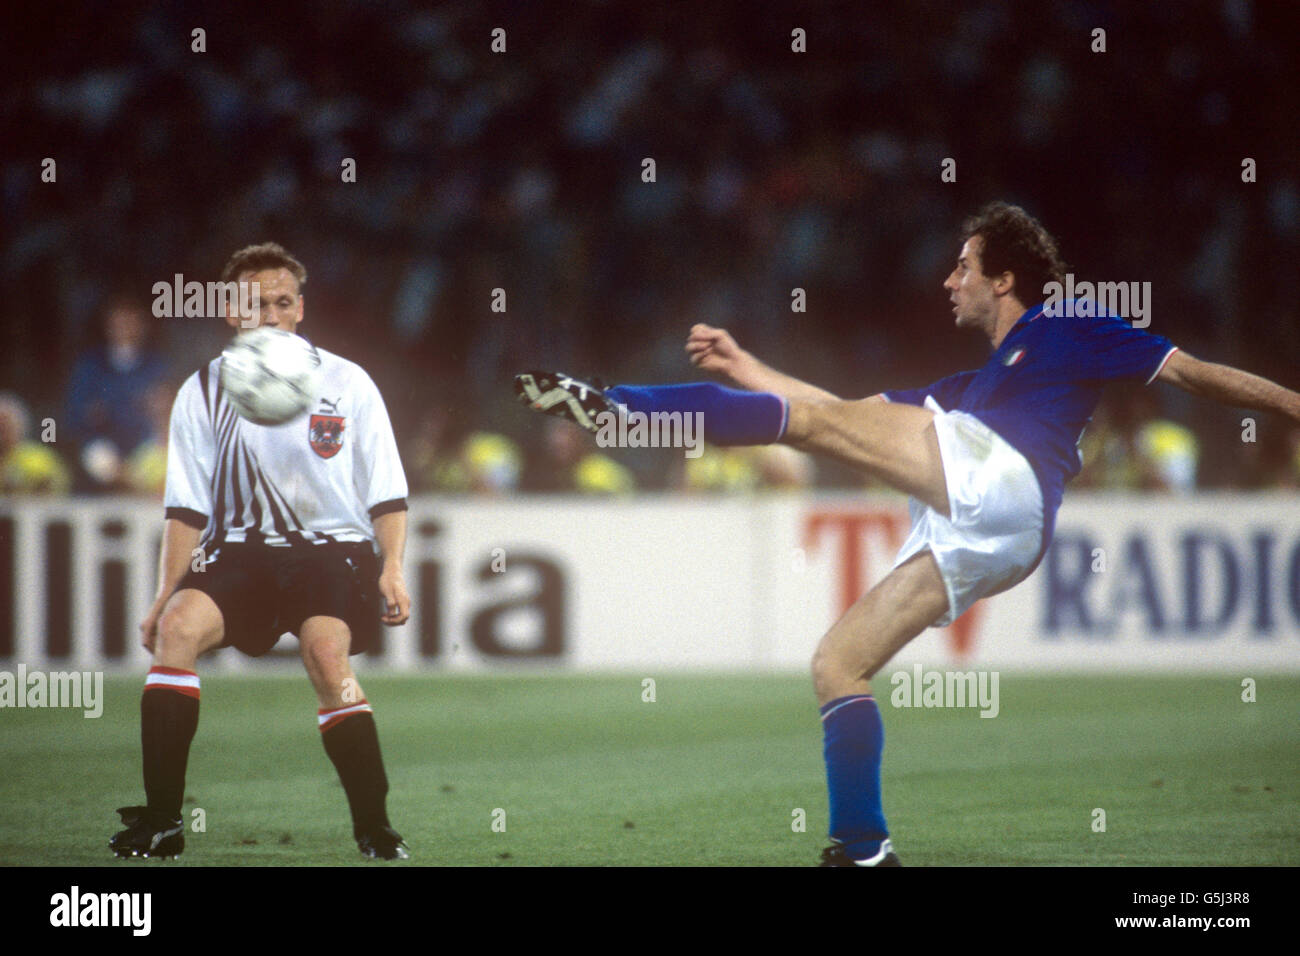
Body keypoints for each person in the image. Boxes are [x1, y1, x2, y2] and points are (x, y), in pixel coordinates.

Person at [514, 201, 1300, 866]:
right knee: (836, 665)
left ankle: (623, 411)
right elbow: (836, 412)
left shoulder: (1073, 324)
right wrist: (747, 364)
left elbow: (1195, 372)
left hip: (1007, 482)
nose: (949, 280)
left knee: (818, 429)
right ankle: (864, 849)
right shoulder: (964, 389)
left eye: (964, 266)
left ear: (1004, 278)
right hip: (998, 535)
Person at [110, 242, 413, 860]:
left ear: (300, 309)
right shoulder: (202, 390)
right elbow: (186, 508)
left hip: (332, 549)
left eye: (281, 302)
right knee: (175, 631)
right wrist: (164, 594)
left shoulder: (348, 382)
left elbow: (386, 493)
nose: (270, 315)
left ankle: (375, 827)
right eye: (255, 304)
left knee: (328, 658)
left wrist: (394, 568)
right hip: (241, 552)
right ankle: (164, 822)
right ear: (232, 312)